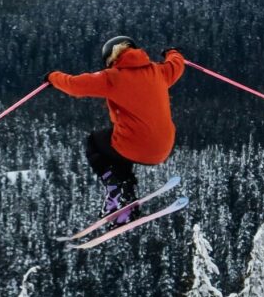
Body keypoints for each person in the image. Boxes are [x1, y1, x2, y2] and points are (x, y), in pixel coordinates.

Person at [46, 36, 185, 222]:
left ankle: (118, 191)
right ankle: (125, 197)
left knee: (94, 143)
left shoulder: (112, 77)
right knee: (117, 143)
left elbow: (74, 86)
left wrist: (52, 77)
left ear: (111, 59)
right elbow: (177, 64)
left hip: (135, 146)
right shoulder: (158, 71)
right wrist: (172, 52)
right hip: (164, 147)